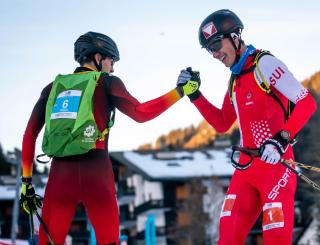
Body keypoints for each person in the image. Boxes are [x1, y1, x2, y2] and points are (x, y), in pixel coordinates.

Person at [19, 31, 198, 245]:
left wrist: (26, 182)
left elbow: (30, 133)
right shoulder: (107, 82)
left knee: (48, 242)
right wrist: (180, 91)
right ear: (98, 57)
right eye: (111, 60)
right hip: (97, 174)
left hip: (60, 176)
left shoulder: (52, 88)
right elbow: (141, 113)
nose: (112, 67)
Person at [177, 9, 317, 245]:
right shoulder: (235, 78)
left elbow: (306, 102)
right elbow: (222, 123)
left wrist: (280, 140)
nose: (215, 54)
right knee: (228, 236)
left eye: (216, 45)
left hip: (277, 168)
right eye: (209, 50)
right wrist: (195, 95)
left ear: (235, 36)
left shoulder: (265, 64)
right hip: (246, 169)